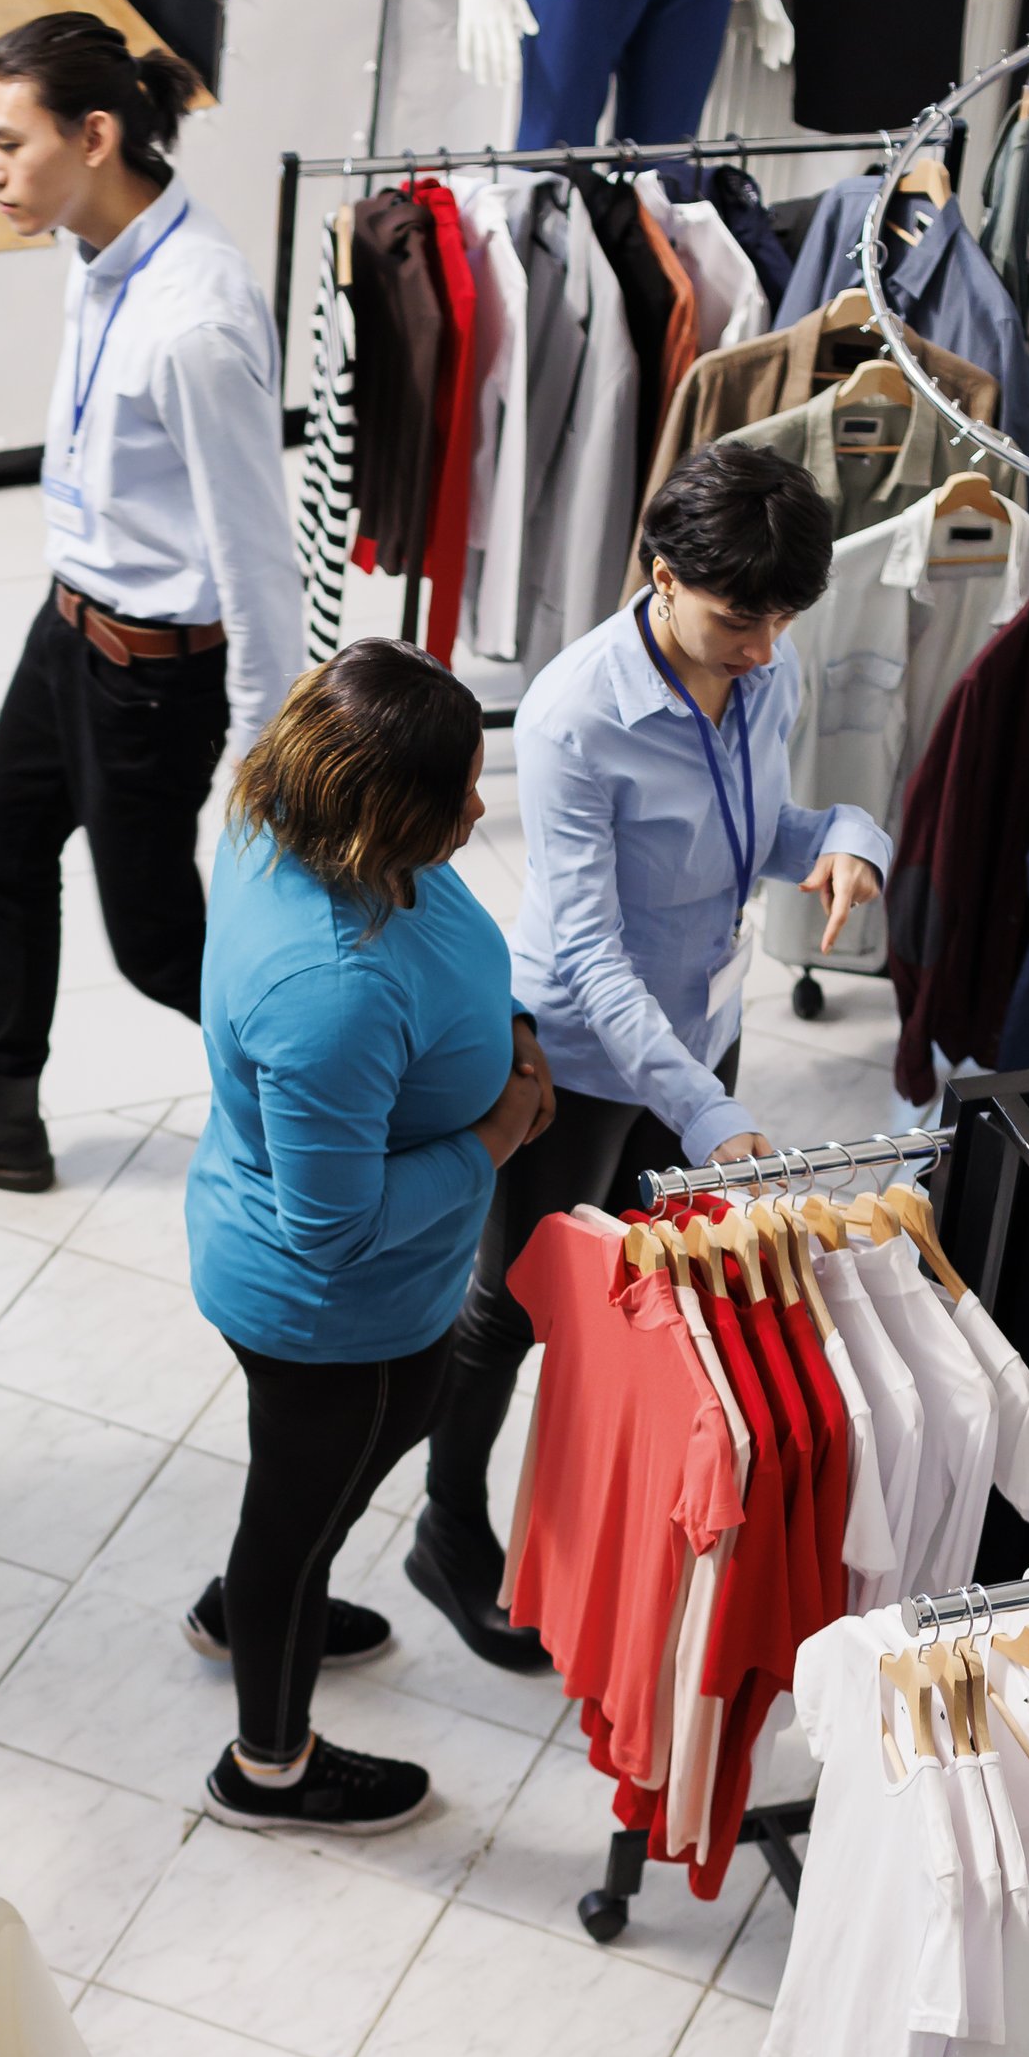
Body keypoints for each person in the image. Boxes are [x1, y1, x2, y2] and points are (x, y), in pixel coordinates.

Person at [406, 436, 889, 1667]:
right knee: (508, 1310)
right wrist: (705, 1109)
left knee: (656, 1302)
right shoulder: (575, 717)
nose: (766, 648)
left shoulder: (758, 670)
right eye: (741, 619)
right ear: (661, 572)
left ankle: (604, 1516)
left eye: (782, 620)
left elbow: (760, 832)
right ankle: (448, 1532)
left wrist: (848, 838)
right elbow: (587, 956)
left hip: (698, 1041)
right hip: (574, 1062)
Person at [0, 13, 303, 1194]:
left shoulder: (194, 320)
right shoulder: (95, 253)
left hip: (155, 673)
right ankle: (1, 1109)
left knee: (162, 950)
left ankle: (344, 1101)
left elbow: (258, 552)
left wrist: (267, 743)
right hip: (73, 627)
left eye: (8, 143)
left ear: (94, 135)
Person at [185, 643, 554, 1838]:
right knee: (300, 1510)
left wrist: (498, 1036)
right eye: (457, 794)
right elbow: (334, 1229)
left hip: (349, 1291)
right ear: (381, 811)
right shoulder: (326, 986)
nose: (477, 808)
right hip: (329, 1312)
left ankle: (248, 1603)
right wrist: (495, 1134)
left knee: (304, 1491)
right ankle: (270, 1766)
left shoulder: (285, 811)